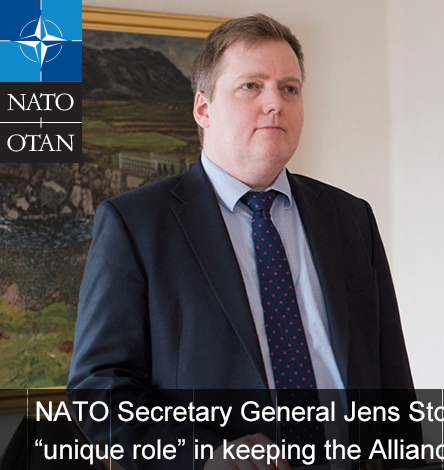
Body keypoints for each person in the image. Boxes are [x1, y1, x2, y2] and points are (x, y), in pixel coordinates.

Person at [68, 14, 420, 469]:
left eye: (289, 88)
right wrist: (205, 456)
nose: (275, 103)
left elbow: (392, 379)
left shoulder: (350, 218)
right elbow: (98, 387)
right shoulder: (135, 224)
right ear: (203, 109)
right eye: (251, 86)